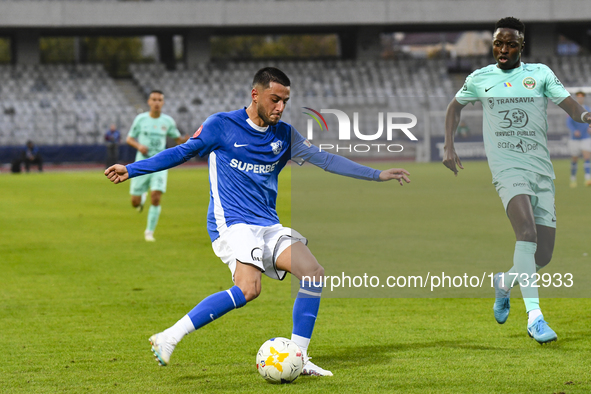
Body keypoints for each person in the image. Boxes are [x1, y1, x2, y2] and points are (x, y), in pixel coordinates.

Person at [105, 67, 411, 375]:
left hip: (268, 224)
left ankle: (300, 357)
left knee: (313, 273)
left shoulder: (285, 135)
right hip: (232, 223)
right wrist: (132, 169)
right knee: (249, 289)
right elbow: (181, 152)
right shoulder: (221, 126)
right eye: (274, 99)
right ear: (256, 95)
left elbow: (326, 159)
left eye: (285, 101)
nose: (280, 107)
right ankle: (169, 336)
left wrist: (377, 174)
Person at [443, 17, 591, 344]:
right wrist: (449, 145)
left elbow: (569, 104)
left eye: (510, 44)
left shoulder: (539, 74)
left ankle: (505, 281)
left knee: (543, 256)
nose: (504, 49)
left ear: (521, 45)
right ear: (492, 45)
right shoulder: (480, 78)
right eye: (498, 43)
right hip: (507, 169)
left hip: (541, 170)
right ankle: (535, 317)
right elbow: (455, 107)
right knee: (526, 233)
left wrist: (585, 115)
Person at [126, 90, 188, 242]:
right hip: (142, 163)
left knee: (156, 197)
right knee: (134, 202)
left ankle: (149, 232)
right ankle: (141, 200)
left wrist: (185, 141)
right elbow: (129, 138)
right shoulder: (140, 119)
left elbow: (177, 138)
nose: (156, 102)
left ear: (163, 103)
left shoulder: (167, 121)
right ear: (149, 102)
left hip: (160, 164)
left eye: (159, 100)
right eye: (154, 99)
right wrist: (139, 146)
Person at [566, 91, 591, 187]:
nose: (580, 99)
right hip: (574, 138)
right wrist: (574, 130)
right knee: (574, 159)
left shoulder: (588, 109)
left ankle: (587, 178)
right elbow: (568, 122)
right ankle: (573, 179)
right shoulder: (572, 109)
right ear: (576, 98)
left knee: (587, 157)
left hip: (585, 137)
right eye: (578, 97)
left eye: (582, 97)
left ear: (583, 98)